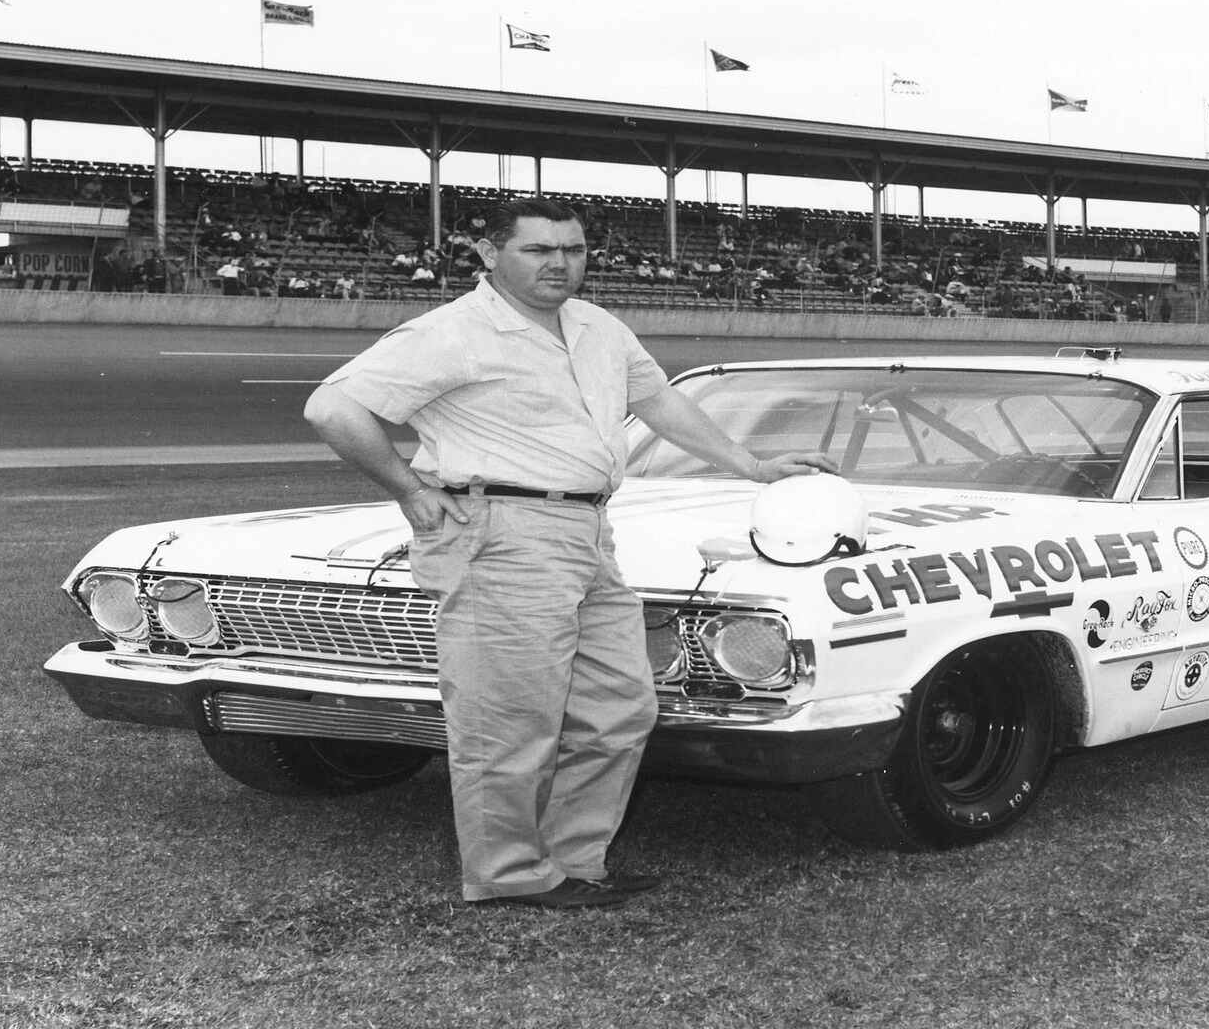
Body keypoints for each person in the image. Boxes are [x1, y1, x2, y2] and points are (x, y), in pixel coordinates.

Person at [304, 198, 833, 910]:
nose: (560, 262)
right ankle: (509, 873)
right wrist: (407, 490)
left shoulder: (597, 326)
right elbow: (334, 409)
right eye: (538, 249)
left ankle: (575, 859)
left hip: (587, 532)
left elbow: (659, 403)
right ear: (489, 254)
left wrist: (750, 464)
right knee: (508, 720)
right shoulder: (454, 332)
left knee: (620, 706)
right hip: (502, 531)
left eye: (574, 249)